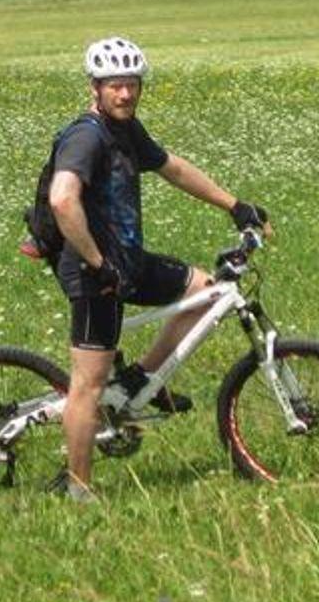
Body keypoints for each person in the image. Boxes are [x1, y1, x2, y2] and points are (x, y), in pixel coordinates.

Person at [44, 35, 267, 499]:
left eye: (132, 84)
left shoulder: (126, 130)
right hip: (94, 273)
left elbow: (173, 168)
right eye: (114, 85)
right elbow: (62, 199)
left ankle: (139, 382)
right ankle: (79, 491)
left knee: (204, 290)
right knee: (88, 384)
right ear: (95, 87)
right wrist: (97, 263)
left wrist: (234, 205)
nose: (125, 93)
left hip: (126, 262)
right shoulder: (87, 136)